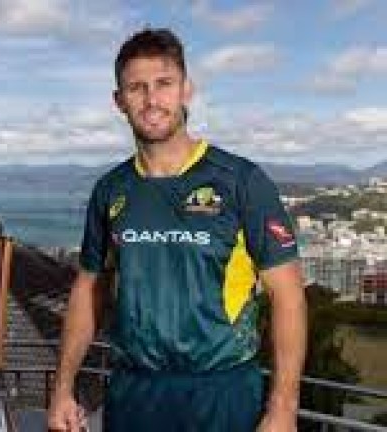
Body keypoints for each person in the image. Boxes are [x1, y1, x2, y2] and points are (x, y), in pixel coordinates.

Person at [47, 28, 306, 432]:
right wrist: (63, 389)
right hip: (134, 391)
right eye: (136, 88)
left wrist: (284, 408)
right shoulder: (111, 189)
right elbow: (88, 290)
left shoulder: (241, 181)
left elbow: (287, 295)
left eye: (164, 84)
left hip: (223, 391)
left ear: (187, 90)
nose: (151, 100)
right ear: (119, 101)